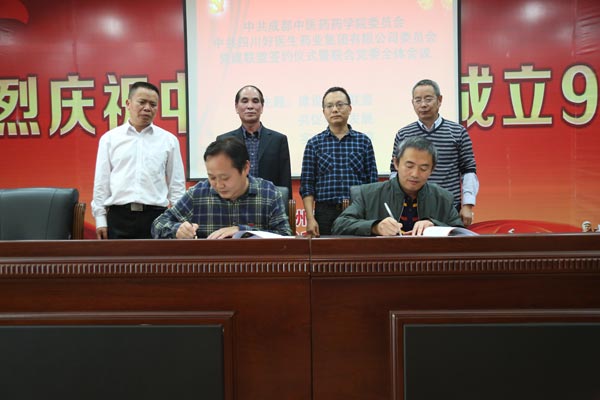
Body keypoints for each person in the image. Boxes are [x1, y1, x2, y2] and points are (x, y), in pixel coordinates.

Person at [91, 81, 185, 239]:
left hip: (157, 217)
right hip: (119, 217)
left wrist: (179, 220)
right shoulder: (110, 139)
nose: (147, 108)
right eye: (142, 102)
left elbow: (176, 185)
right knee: (118, 257)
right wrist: (100, 219)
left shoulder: (169, 140)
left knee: (157, 257)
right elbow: (102, 182)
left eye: (153, 104)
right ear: (128, 104)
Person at [152, 137, 291, 239]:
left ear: (245, 168)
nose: (219, 185)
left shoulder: (268, 193)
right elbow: (158, 224)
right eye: (212, 177)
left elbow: (285, 236)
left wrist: (243, 232)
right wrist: (177, 230)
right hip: (210, 268)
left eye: (225, 178)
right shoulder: (198, 193)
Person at [390, 79, 478, 226]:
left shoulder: (458, 132)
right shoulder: (404, 134)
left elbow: (468, 171)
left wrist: (467, 205)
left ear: (439, 100)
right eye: (418, 100)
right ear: (412, 103)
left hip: (448, 207)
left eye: (428, 99)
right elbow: (395, 172)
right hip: (411, 208)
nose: (423, 104)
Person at [333, 136, 463, 236]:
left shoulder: (443, 198)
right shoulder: (368, 194)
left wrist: (435, 226)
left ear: (432, 169)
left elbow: (461, 233)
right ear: (396, 163)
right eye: (409, 166)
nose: (415, 174)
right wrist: (375, 227)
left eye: (423, 168)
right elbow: (339, 225)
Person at [300, 86, 378, 236]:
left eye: (340, 104)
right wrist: (310, 218)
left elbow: (372, 183)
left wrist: (371, 216)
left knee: (357, 251)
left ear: (350, 108)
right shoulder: (314, 144)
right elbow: (307, 185)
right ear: (324, 112)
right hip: (325, 213)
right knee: (324, 251)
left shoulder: (363, 141)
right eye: (329, 106)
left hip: (357, 211)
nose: (335, 109)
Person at [217, 85, 292, 197]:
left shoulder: (278, 140)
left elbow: (285, 183)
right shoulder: (224, 141)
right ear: (236, 107)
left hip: (269, 203)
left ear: (262, 107)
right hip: (234, 203)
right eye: (244, 101)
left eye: (255, 101)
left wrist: (285, 204)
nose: (250, 106)